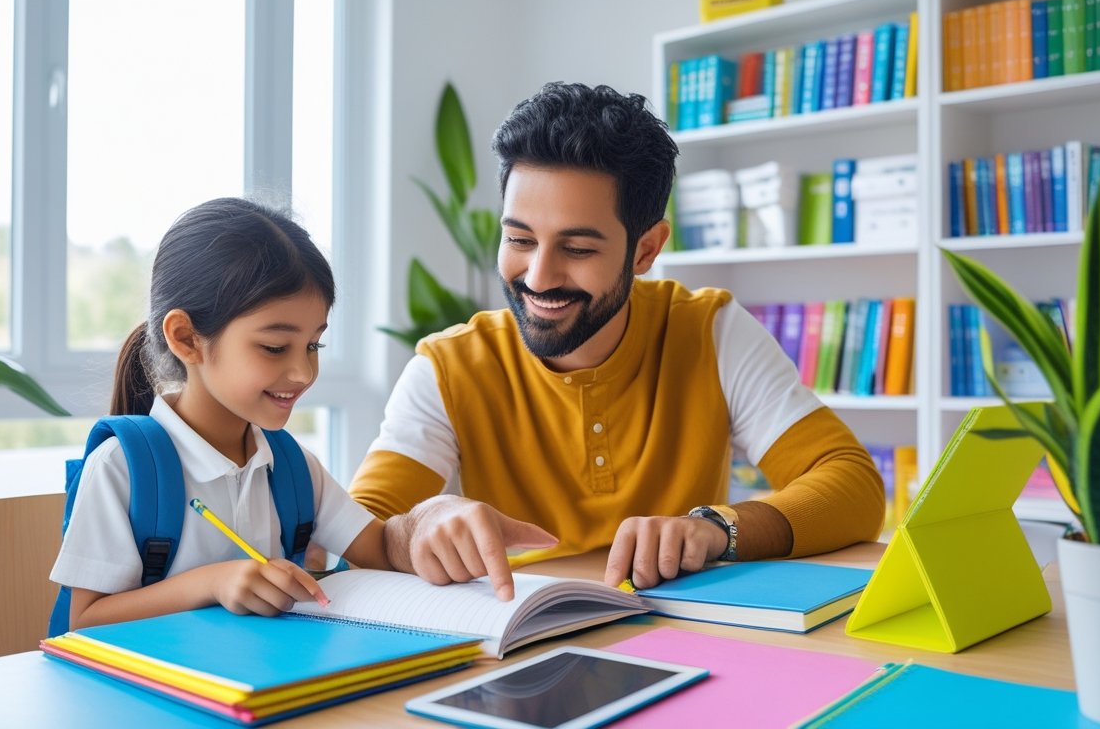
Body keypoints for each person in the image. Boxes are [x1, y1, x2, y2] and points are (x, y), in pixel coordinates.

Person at [353, 82, 885, 593]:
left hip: (684, 630)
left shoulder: (710, 331)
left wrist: (714, 529)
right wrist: (415, 526)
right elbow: (349, 533)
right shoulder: (449, 366)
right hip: (519, 631)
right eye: (519, 238)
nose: (538, 277)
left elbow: (852, 486)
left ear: (646, 250)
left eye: (578, 249)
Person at [51, 197, 406, 629]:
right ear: (186, 338)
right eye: (275, 347)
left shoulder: (292, 468)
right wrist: (212, 583)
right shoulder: (119, 470)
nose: (303, 372)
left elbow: (382, 552)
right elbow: (85, 621)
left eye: (314, 345)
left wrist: (434, 527)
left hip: (264, 689)